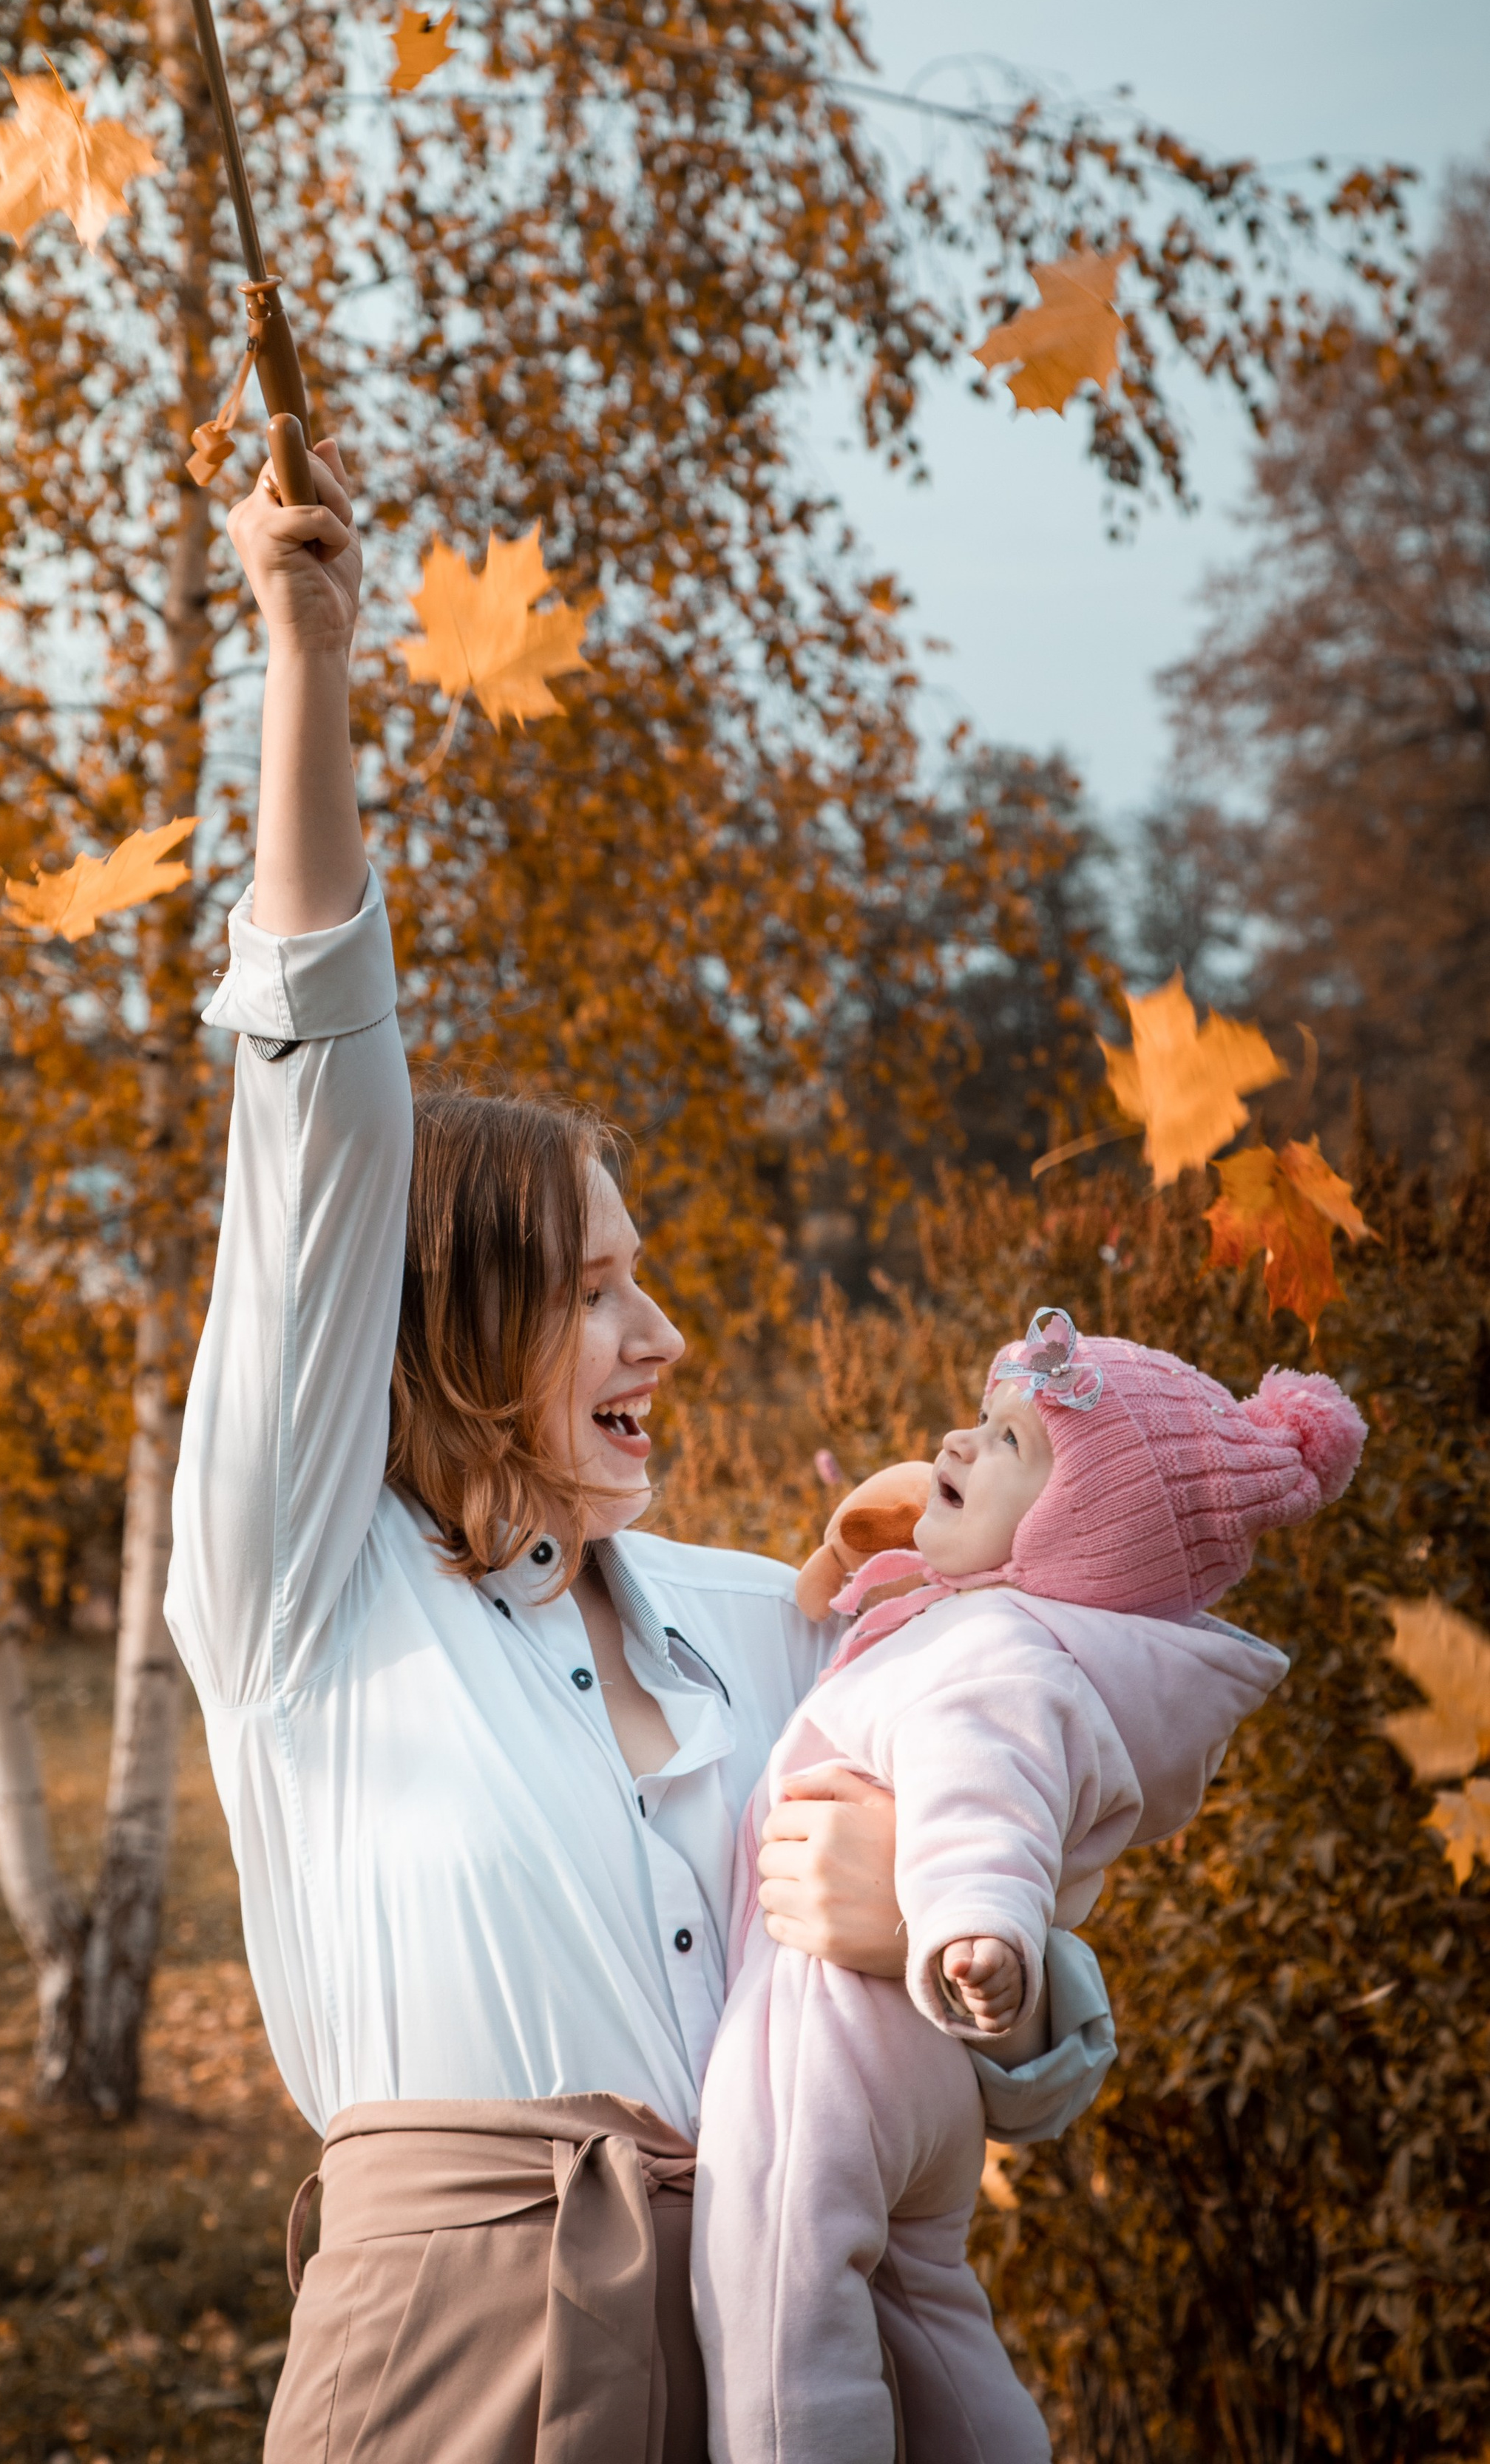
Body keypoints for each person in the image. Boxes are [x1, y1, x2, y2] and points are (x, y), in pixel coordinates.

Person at [163, 443, 1118, 2464]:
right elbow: (315, 1108)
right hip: (455, 2359)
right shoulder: (299, 1595)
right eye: (595, 1291)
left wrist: (947, 1957)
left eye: (649, 1283)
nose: (661, 1340)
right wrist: (309, 655)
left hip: (785, 2347)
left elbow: (1029, 2054)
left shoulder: (768, 1631)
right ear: (450, 1322)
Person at [692, 1306, 1367, 2464]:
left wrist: (971, 1922)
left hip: (833, 2024)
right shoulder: (1016, 1633)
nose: (959, 1444)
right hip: (922, 2070)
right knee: (923, 2299)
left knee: (772, 2280)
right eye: (980, 1419)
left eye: (1009, 1444)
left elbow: (980, 1798)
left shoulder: (998, 1656)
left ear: (1086, 1542)